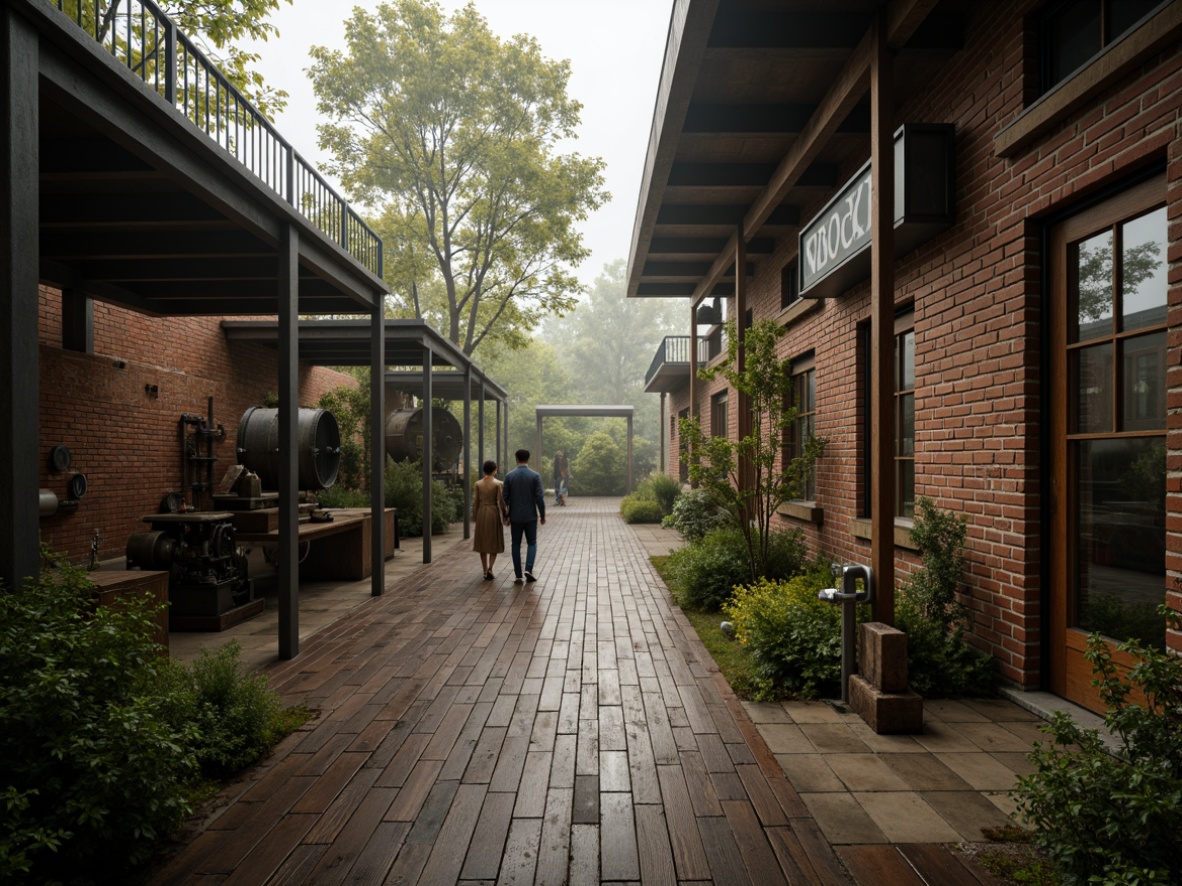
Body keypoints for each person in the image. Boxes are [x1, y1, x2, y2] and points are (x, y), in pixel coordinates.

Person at [502, 448, 545, 582]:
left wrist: (506, 516)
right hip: (530, 516)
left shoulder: (509, 476)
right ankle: (528, 568)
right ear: (528, 459)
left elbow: (505, 499)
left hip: (515, 516)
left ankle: (518, 574)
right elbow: (539, 497)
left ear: (516, 458)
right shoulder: (534, 476)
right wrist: (542, 515)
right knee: (532, 543)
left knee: (515, 544)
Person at [471, 460, 507, 580]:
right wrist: (506, 515)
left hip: (482, 512)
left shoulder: (478, 484)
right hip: (493, 512)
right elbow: (501, 501)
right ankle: (491, 567)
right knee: (494, 540)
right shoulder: (498, 483)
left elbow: (475, 502)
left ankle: (485, 570)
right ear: (494, 470)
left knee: (482, 541)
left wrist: (475, 516)